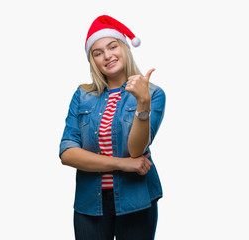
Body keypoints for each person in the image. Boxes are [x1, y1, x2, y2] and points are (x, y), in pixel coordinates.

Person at [59, 15, 166, 240]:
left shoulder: (153, 94)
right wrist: (124, 164)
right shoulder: (82, 95)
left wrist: (142, 102)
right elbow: (68, 153)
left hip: (136, 201)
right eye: (98, 53)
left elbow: (137, 150)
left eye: (112, 46)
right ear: (93, 61)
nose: (107, 56)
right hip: (90, 204)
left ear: (125, 48)